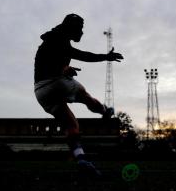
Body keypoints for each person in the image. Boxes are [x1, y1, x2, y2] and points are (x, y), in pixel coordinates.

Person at [34, 13, 123, 175]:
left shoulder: (54, 39)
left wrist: (62, 68)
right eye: (80, 29)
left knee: (71, 125)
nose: (82, 32)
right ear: (71, 28)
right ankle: (105, 111)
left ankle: (80, 158)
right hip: (55, 82)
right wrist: (63, 70)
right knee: (84, 96)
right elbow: (80, 55)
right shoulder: (59, 39)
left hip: (40, 92)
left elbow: (49, 59)